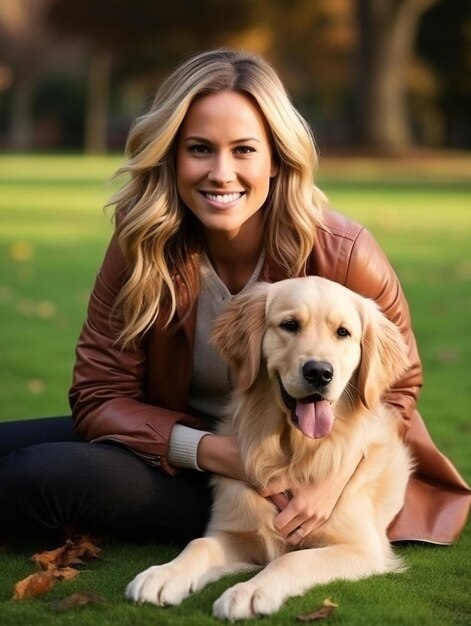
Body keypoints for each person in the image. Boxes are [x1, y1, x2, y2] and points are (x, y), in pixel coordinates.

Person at [0, 49, 469, 546]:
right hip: (184, 449)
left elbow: (398, 390)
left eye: (244, 149)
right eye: (200, 148)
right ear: (172, 156)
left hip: (290, 476)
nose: (221, 173)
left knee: (38, 474)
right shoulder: (142, 242)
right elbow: (98, 395)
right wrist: (217, 452)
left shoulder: (345, 252)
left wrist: (334, 483)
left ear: (275, 158)